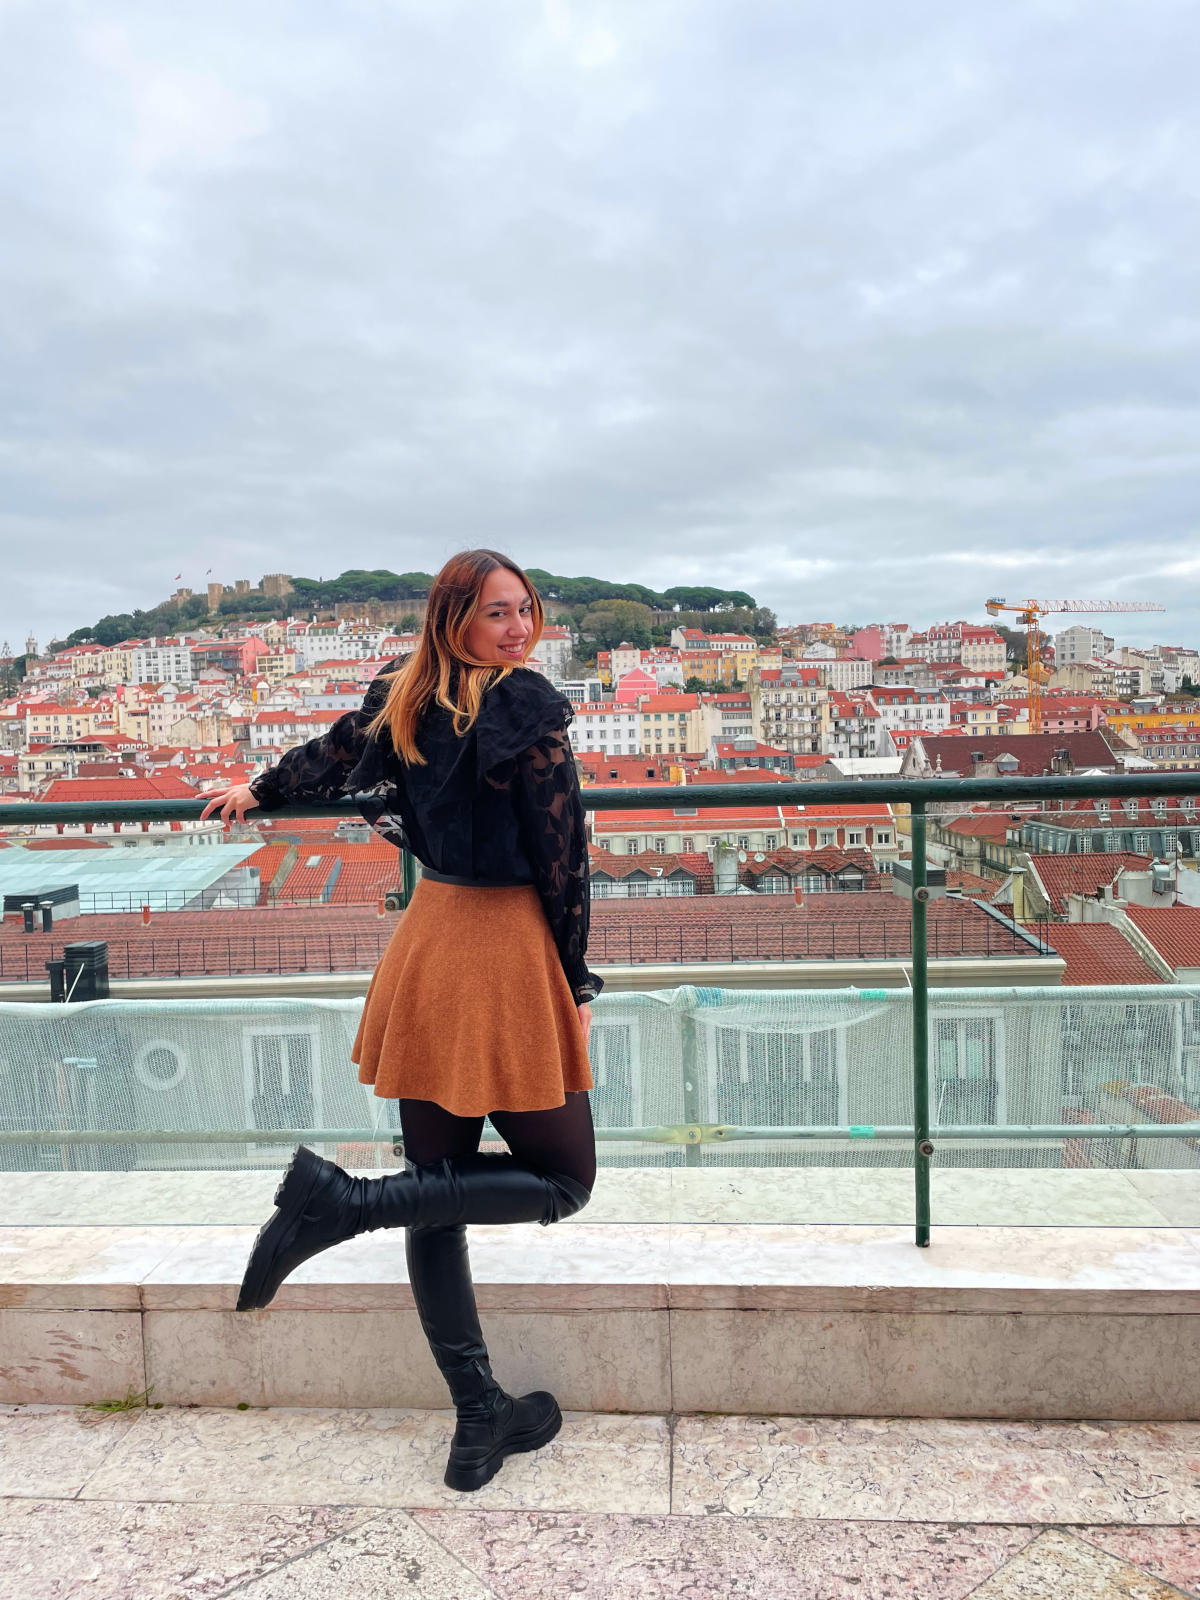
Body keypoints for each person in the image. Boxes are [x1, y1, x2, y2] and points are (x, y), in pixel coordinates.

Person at [199, 549, 601, 1493]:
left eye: (526, 610)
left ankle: (476, 1420)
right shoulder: (529, 710)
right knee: (565, 1180)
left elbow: (335, 752)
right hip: (503, 950)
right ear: (454, 618)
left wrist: (260, 788)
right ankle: (345, 1207)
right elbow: (564, 859)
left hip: (430, 940)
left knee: (442, 1187)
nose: (518, 628)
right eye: (497, 613)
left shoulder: (407, 695)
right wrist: (576, 982)